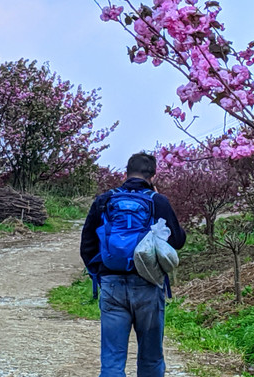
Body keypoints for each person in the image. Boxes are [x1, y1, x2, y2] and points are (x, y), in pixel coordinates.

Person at [80, 152, 186, 377]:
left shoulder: (105, 200)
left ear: (125, 173)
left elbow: (87, 243)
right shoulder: (157, 201)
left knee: (112, 360)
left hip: (111, 284)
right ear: (153, 176)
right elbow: (177, 240)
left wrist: (100, 275)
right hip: (148, 284)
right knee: (150, 358)